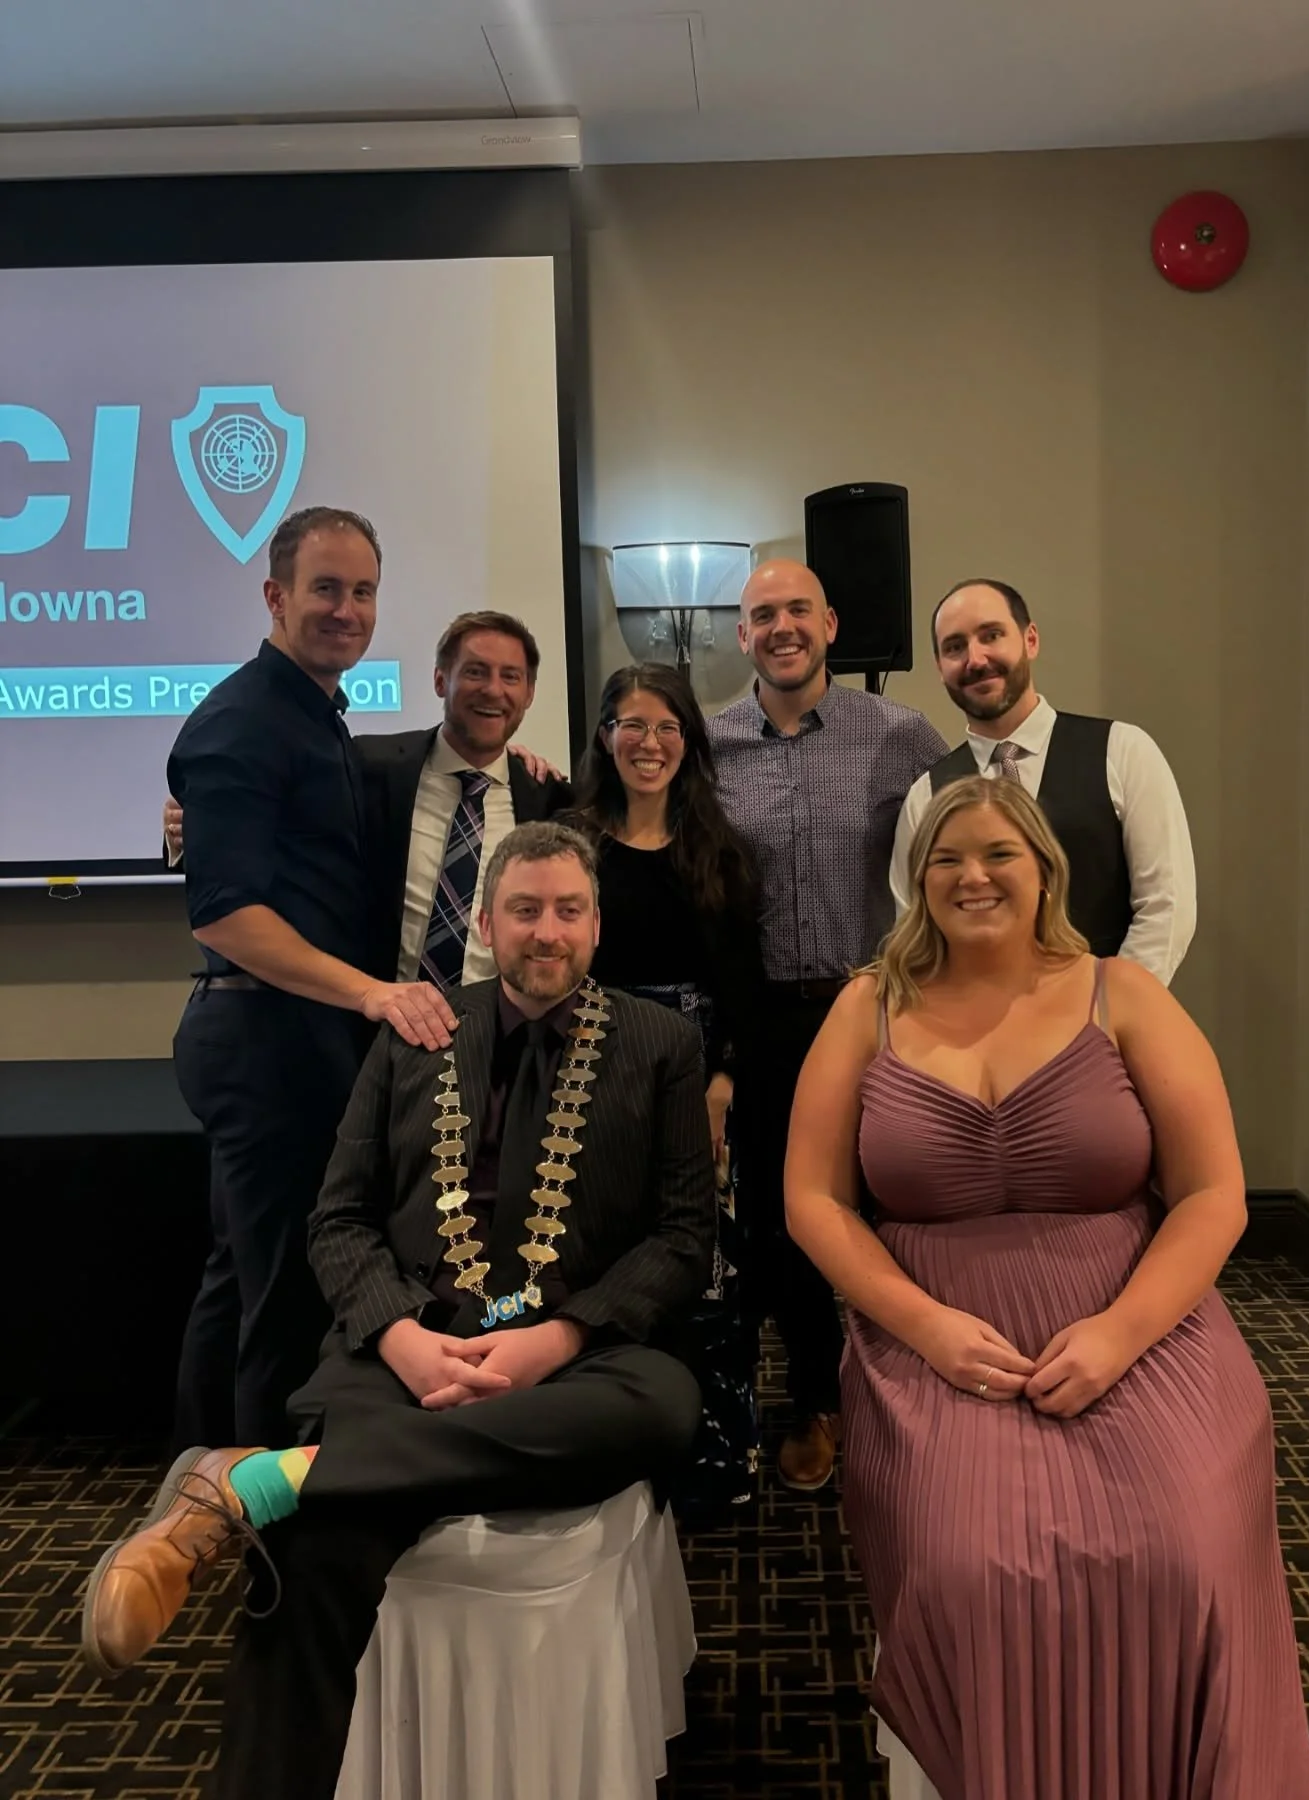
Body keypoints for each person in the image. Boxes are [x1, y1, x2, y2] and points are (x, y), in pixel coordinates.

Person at [81, 822, 713, 1800]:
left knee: (665, 1408)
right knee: (316, 1545)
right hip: (410, 1348)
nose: (548, 932)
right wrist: (406, 1340)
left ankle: (255, 1481)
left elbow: (681, 1239)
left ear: (596, 924)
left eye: (569, 911)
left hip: (580, 1359)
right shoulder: (416, 1031)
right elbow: (337, 1219)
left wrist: (557, 1337)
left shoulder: (660, 1043)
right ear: (490, 924)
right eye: (526, 910)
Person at [787, 776, 1309, 1800]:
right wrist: (924, 1326)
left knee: (1185, 1548)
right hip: (935, 1335)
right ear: (916, 878)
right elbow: (813, 1200)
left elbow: (1213, 1195)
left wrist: (1120, 1333)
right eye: (945, 859)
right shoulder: (869, 1005)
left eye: (998, 855)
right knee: (970, 1569)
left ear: (1044, 873)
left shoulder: (1125, 994)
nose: (971, 876)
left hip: (1136, 1322)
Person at [166, 609, 571, 1450]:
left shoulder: (551, 795)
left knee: (460, 1249)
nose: (492, 690)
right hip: (372, 1048)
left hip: (493, 1057)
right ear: (438, 680)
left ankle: (442, 1425)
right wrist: (181, 831)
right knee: (292, 1265)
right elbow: (257, 828)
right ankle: (225, 1473)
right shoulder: (371, 765)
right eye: (474, 671)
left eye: (511, 676)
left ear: (531, 694)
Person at [167, 506, 457, 1451]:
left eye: (363, 591)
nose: (346, 609)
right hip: (266, 1044)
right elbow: (224, 911)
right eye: (325, 588)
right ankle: (265, 1545)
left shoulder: (314, 715)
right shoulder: (243, 720)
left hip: (287, 1039)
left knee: (240, 1281)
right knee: (286, 1301)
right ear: (275, 595)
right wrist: (371, 992)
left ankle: (201, 1492)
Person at [708, 558, 947, 1490]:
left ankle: (921, 1397)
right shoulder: (709, 743)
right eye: (762, 614)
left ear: (832, 622)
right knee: (785, 1221)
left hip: (884, 1010)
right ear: (742, 634)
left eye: (797, 609)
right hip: (766, 1021)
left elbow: (961, 851)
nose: (782, 627)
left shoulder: (903, 737)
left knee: (904, 1205)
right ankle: (816, 1401)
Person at [570, 661, 764, 1517]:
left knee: (708, 1268)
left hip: (697, 1077)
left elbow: (742, 988)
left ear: (690, 742)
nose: (649, 743)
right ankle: (611, 1454)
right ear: (605, 736)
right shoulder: (569, 840)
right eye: (631, 724)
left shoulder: (721, 851)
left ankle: (716, 1455)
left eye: (667, 727)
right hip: (591, 1074)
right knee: (600, 1259)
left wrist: (721, 1083)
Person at [889, 578, 1196, 984]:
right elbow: (916, 933)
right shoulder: (926, 795)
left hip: (1107, 1027)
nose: (975, 659)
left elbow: (1166, 907)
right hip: (976, 1035)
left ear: (1030, 639)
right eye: (955, 647)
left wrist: (1109, 1012)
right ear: (940, 668)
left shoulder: (1122, 751)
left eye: (991, 635)